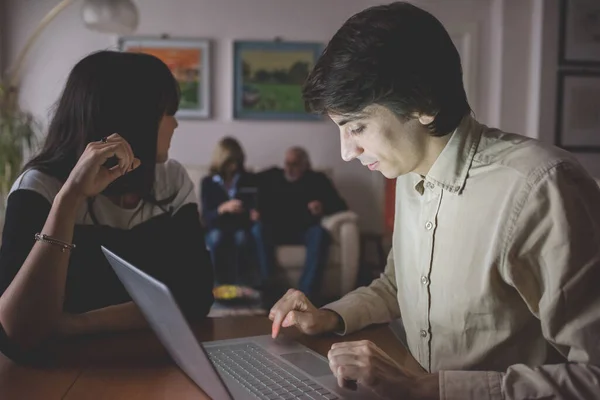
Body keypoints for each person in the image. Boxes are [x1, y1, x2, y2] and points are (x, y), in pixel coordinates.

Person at [268, 2, 600, 399]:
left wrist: (430, 388)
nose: (346, 153)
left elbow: (593, 375)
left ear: (421, 105)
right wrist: (328, 316)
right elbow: (398, 285)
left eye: (356, 127)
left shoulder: (542, 189)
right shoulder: (409, 172)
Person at [0, 51, 214, 363]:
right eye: (167, 112)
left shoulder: (171, 180)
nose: (176, 123)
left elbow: (194, 297)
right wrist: (70, 199)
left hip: (148, 360)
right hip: (57, 370)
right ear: (133, 119)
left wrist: (75, 323)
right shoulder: (39, 188)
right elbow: (19, 329)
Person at [252, 146, 347, 299]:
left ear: (305, 165)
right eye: (287, 164)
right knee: (257, 229)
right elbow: (246, 185)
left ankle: (306, 293)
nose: (289, 168)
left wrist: (322, 206)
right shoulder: (273, 176)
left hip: (304, 231)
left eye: (294, 164)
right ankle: (269, 288)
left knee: (320, 233)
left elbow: (341, 206)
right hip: (275, 230)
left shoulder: (318, 180)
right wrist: (254, 210)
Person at [201, 137, 258, 286]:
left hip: (240, 226)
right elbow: (206, 217)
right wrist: (222, 208)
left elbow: (253, 206)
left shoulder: (247, 179)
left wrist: (251, 213)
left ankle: (242, 287)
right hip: (217, 227)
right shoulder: (208, 182)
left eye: (236, 162)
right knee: (216, 237)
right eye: (230, 163)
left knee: (242, 238)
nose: (233, 167)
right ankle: (216, 286)